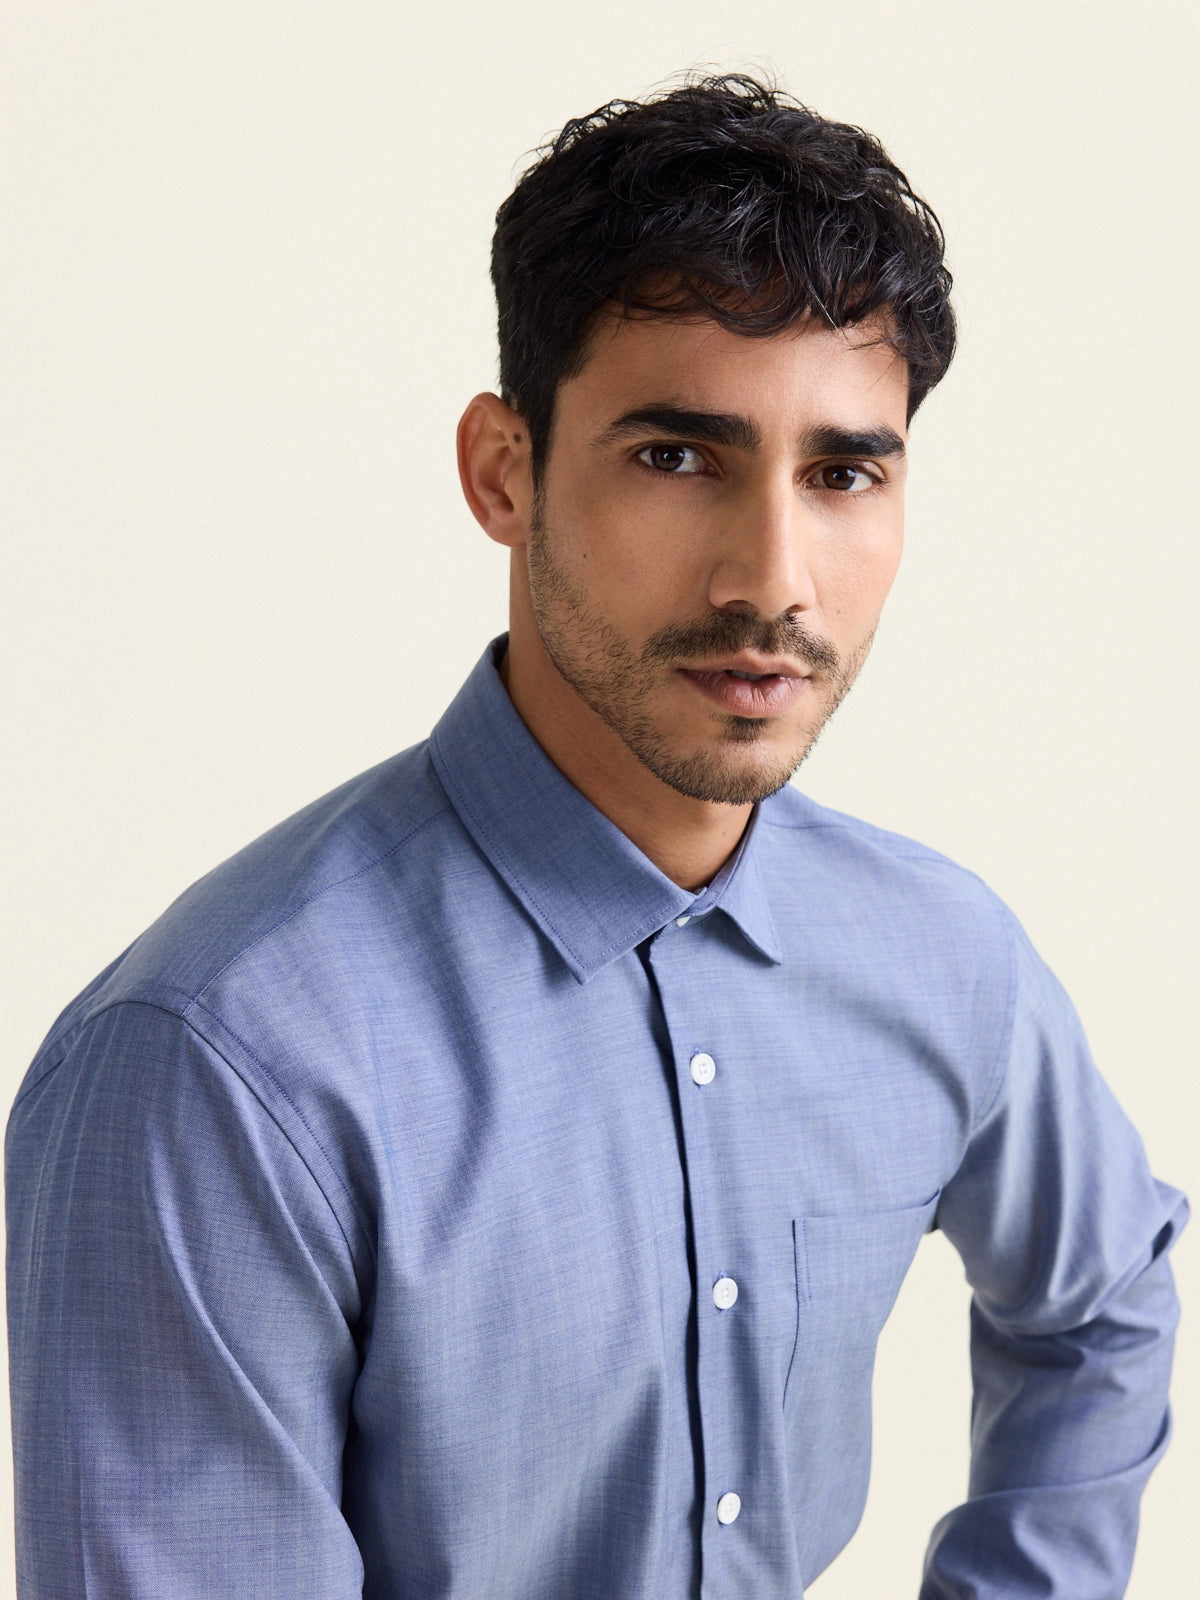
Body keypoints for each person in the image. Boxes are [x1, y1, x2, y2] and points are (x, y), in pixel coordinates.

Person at [5, 74, 1185, 1600]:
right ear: (506, 471)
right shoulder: (221, 1066)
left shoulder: (940, 954)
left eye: (841, 473)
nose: (773, 578)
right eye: (677, 456)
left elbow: (1101, 1306)